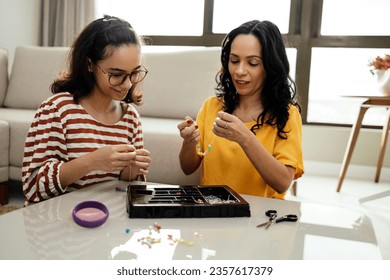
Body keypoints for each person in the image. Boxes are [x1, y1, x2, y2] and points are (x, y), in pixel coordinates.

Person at [22, 15, 151, 205]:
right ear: (90, 64)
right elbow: (33, 188)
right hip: (59, 224)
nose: (128, 84)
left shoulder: (130, 117)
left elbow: (127, 189)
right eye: (117, 75)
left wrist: (131, 170)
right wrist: (91, 161)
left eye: (134, 73)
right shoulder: (57, 110)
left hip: (107, 224)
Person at [177, 20, 304, 199]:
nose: (239, 71)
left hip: (260, 219)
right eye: (234, 61)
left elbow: (282, 183)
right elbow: (187, 168)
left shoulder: (287, 115)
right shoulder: (212, 106)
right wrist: (189, 142)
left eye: (252, 63)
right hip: (212, 214)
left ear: (270, 66)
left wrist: (245, 138)